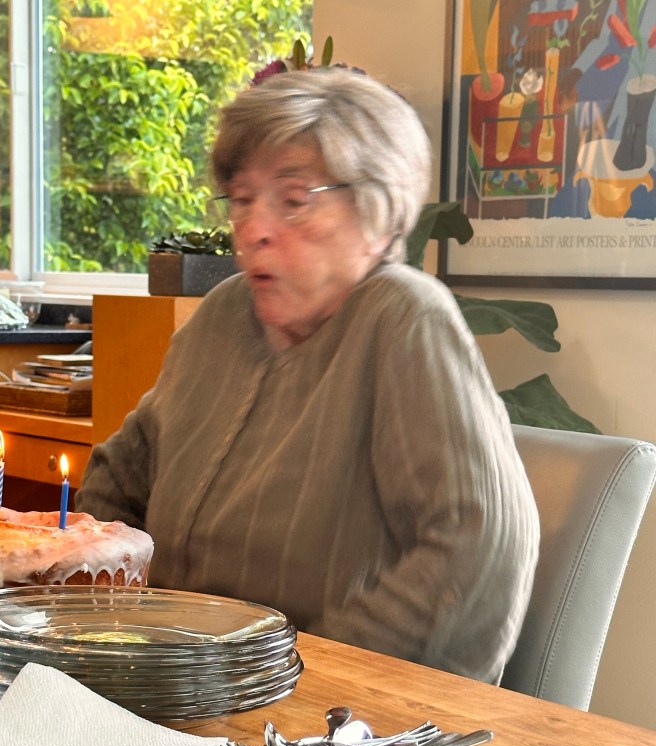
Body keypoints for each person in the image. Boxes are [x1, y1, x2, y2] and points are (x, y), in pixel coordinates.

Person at [76, 67, 540, 685]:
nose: (253, 230)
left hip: (318, 723)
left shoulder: (402, 318)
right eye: (242, 200)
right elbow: (118, 480)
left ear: (378, 218)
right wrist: (102, 624)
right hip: (166, 687)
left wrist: (304, 676)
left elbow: (482, 551)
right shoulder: (224, 315)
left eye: (294, 200)